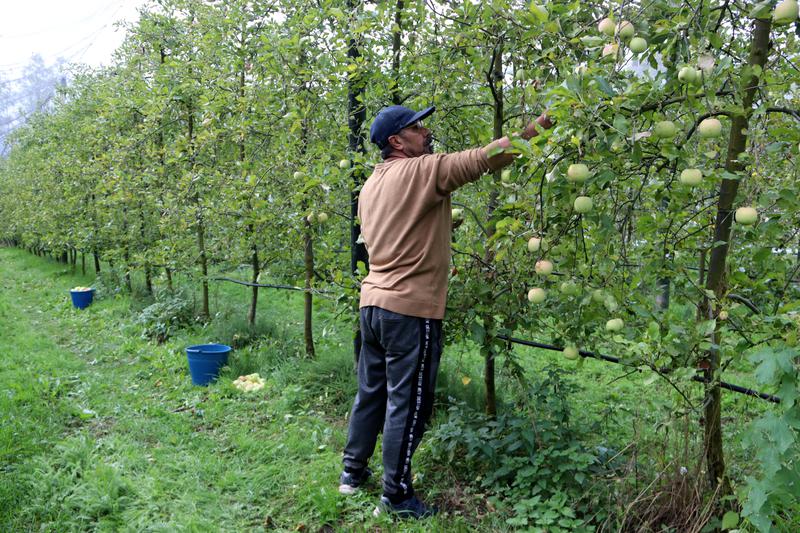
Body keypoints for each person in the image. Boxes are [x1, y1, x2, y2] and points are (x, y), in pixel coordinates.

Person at [339, 104, 553, 518]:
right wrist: (542, 127)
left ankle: (352, 472)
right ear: (396, 141)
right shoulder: (423, 171)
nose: (426, 131)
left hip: (373, 305)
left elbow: (390, 233)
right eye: (417, 128)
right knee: (409, 401)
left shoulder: (370, 184)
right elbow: (490, 156)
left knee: (372, 392)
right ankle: (397, 495)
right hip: (409, 309)